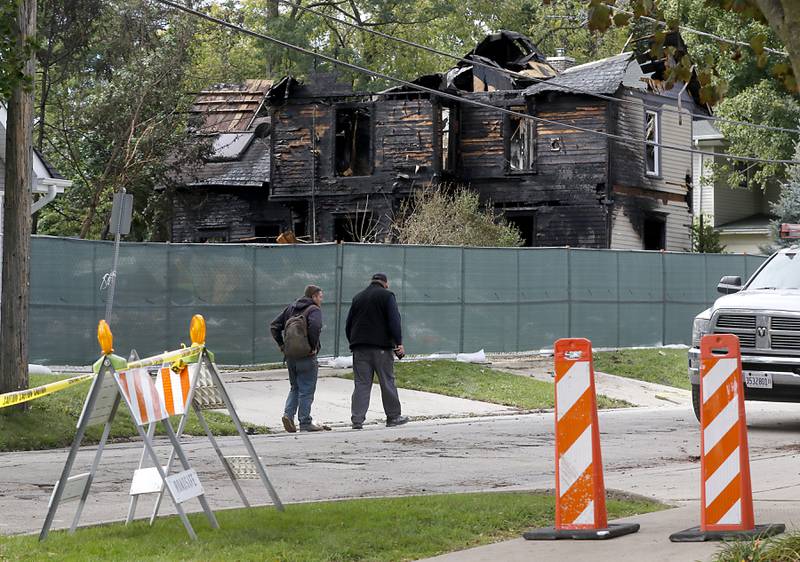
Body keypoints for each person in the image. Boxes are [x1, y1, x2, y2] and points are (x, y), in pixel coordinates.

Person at [345, 272, 409, 429]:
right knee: (387, 382)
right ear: (385, 283)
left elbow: (349, 325)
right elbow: (394, 320)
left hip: (359, 348)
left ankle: (357, 420)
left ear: (372, 281)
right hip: (381, 348)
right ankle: (393, 417)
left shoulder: (358, 298)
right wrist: (398, 343)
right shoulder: (387, 296)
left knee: (361, 383)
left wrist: (355, 342)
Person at [270, 284, 328, 432]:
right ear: (314, 296)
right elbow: (315, 326)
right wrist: (313, 346)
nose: (321, 300)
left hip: (290, 356)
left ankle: (288, 415)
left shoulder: (291, 308)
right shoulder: (314, 309)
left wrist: (282, 346)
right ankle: (305, 421)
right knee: (307, 389)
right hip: (307, 356)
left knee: (295, 387)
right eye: (320, 297)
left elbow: (274, 326)